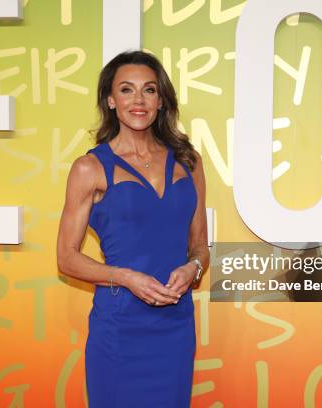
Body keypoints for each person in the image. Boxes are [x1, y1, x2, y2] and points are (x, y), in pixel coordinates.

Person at [56, 50, 209, 407]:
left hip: (175, 325)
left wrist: (193, 268)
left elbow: (200, 245)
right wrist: (126, 277)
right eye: (126, 90)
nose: (138, 100)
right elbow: (66, 258)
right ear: (110, 100)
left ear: (161, 100)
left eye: (149, 90)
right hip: (119, 329)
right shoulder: (89, 168)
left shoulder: (189, 161)